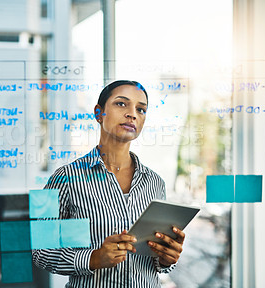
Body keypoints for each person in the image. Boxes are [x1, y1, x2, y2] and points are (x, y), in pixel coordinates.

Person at [32, 80, 185, 287]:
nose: (132, 114)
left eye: (141, 109)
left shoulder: (155, 183)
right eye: (121, 104)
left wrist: (167, 259)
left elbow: (157, 259)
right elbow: (39, 250)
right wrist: (93, 259)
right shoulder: (63, 177)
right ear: (98, 113)